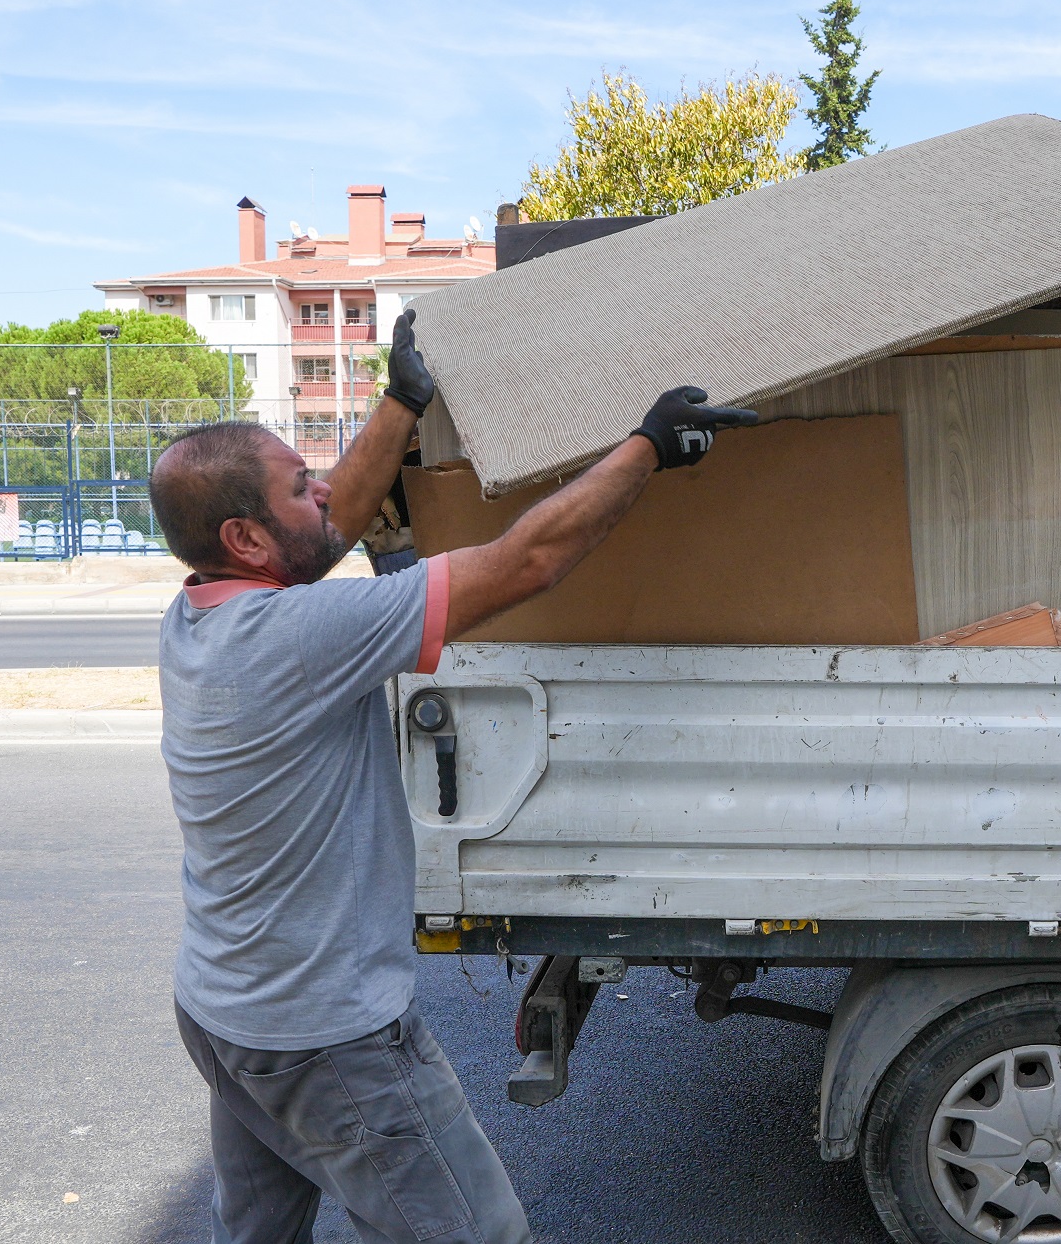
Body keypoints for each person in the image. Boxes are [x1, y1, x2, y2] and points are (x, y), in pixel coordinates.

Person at [148, 309, 755, 1243]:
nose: (323, 493)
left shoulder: (198, 619)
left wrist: (402, 402)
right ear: (246, 538)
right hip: (327, 1039)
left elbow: (328, 530)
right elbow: (529, 561)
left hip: (230, 1017)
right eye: (299, 485)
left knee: (256, 1235)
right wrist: (650, 446)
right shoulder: (298, 638)